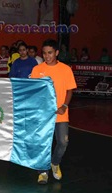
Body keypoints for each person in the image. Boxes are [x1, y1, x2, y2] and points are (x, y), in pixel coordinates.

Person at [30, 39, 77, 184]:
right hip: (43, 114)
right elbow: (33, 90)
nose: (47, 56)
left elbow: (70, 90)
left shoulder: (65, 69)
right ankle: (43, 172)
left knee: (63, 142)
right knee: (43, 143)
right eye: (44, 53)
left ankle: (55, 163)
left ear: (56, 53)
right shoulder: (37, 70)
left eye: (50, 53)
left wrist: (64, 105)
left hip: (60, 113)